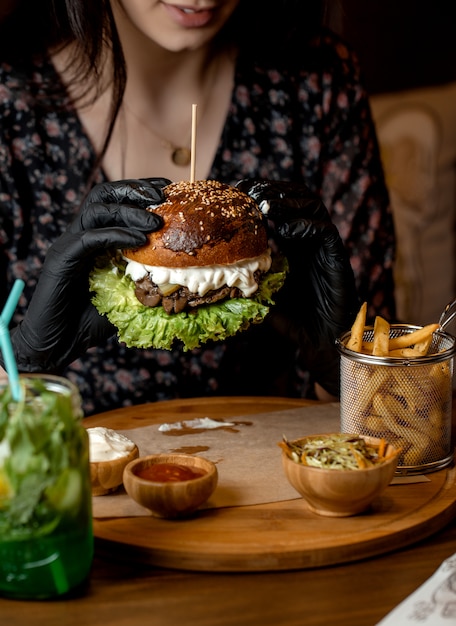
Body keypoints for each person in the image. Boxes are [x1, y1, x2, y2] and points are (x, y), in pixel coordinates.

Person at [0, 0, 396, 416]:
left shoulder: (318, 80)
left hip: (279, 466)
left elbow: (403, 429)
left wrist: (344, 371)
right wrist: (22, 364)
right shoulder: (10, 103)